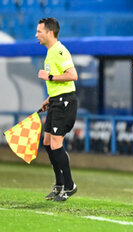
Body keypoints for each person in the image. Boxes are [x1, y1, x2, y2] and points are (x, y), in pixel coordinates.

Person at [36, 17, 78, 201]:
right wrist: (49, 99)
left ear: (49, 32)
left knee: (55, 144)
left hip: (65, 102)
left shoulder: (59, 51)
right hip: (56, 101)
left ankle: (69, 186)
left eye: (39, 31)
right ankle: (59, 184)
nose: (36, 35)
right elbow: (60, 83)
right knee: (46, 142)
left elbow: (72, 75)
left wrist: (50, 77)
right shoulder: (50, 52)